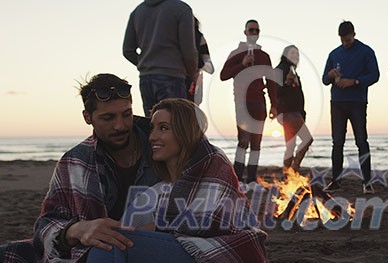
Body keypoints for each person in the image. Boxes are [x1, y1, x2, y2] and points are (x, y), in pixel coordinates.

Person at [0, 74, 161, 262]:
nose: (120, 125)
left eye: (126, 114)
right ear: (87, 117)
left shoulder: (165, 141)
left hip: (155, 246)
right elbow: (45, 225)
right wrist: (76, 230)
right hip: (94, 251)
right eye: (108, 118)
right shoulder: (74, 161)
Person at [87, 98, 268, 262]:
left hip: (218, 250)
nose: (152, 137)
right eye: (153, 128)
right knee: (110, 243)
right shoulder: (153, 192)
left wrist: (155, 229)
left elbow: (211, 221)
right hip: (178, 251)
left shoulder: (213, 163)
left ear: (185, 132)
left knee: (109, 247)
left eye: (164, 128)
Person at [321, 21, 380, 193]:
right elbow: (324, 80)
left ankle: (367, 182)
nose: (345, 42)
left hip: (357, 102)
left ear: (353, 34)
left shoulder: (366, 51)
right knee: (337, 142)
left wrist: (354, 81)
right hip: (337, 103)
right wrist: (330, 75)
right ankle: (336, 181)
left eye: (347, 39)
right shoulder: (334, 54)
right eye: (342, 39)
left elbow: (375, 75)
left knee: (361, 141)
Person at [220, 19, 278, 183]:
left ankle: (251, 179)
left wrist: (274, 105)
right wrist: (242, 64)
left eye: (256, 31)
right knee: (243, 141)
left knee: (256, 143)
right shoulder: (236, 53)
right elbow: (223, 75)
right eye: (251, 30)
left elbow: (271, 82)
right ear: (245, 32)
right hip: (242, 102)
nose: (254, 33)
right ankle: (237, 179)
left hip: (259, 102)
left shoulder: (264, 56)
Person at [123, 0, 198, 116]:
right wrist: (192, 73)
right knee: (176, 125)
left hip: (146, 79)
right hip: (173, 76)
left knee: (153, 125)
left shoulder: (137, 12)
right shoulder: (181, 9)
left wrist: (146, 64)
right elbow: (188, 50)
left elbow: (127, 50)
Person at [274, 45, 314, 172]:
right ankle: (294, 168)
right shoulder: (280, 70)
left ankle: (287, 174)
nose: (295, 56)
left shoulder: (293, 70)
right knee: (307, 139)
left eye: (297, 54)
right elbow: (275, 92)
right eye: (292, 54)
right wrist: (286, 83)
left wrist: (303, 114)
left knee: (290, 145)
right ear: (285, 55)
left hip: (295, 112)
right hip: (288, 112)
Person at [187, 16, 215, 106]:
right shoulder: (198, 36)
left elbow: (210, 67)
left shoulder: (198, 37)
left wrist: (199, 64)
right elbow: (210, 67)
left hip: (192, 84)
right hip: (192, 85)